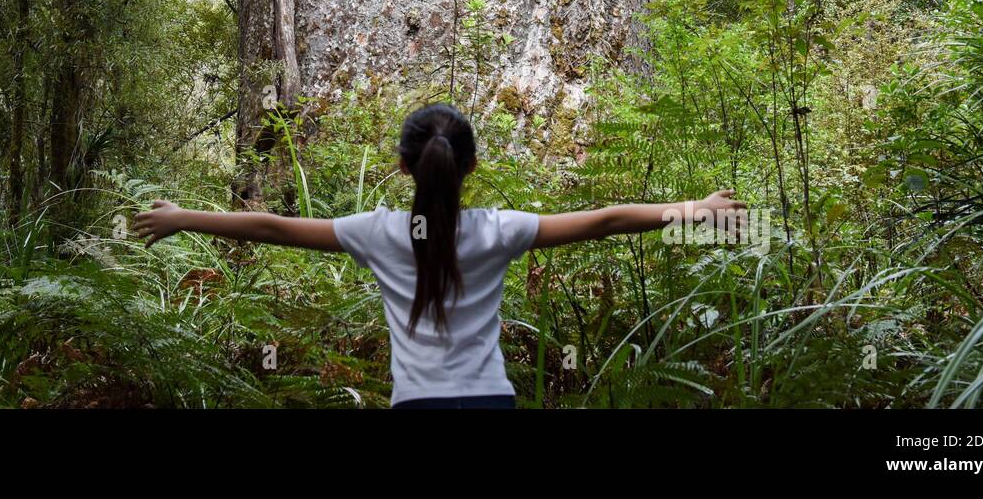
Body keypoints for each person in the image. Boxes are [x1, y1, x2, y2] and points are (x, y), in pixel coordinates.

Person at [133, 102, 746, 408]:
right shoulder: (499, 230)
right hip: (490, 400)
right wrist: (693, 209)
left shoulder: (379, 233)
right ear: (471, 167)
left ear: (404, 168)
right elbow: (607, 222)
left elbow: (272, 227)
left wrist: (181, 217)